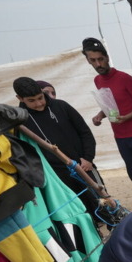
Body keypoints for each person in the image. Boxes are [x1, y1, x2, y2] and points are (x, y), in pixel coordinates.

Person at [81, 37, 132, 203]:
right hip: (120, 137)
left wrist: (127, 117)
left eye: (101, 59)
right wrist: (101, 115)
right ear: (88, 61)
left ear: (107, 58)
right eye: (93, 60)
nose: (98, 64)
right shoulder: (97, 81)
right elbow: (110, 107)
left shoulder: (124, 78)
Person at [13, 77, 105, 225]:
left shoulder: (61, 106)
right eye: (32, 101)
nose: (38, 104)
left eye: (40, 98)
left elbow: (85, 132)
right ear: (20, 98)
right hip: (55, 176)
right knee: (78, 210)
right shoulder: (19, 120)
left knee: (102, 202)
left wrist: (88, 158)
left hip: (82, 166)